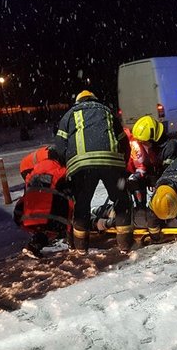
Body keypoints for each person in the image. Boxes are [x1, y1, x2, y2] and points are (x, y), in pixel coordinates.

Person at [55, 90, 132, 253]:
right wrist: (122, 166)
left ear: (78, 102)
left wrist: (67, 167)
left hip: (81, 166)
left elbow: (60, 147)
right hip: (111, 161)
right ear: (94, 100)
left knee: (81, 206)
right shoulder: (107, 112)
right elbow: (123, 141)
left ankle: (81, 249)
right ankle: (125, 245)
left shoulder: (69, 115)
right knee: (121, 202)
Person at [129, 115, 177, 239]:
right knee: (137, 182)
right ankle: (140, 211)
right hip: (162, 184)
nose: (142, 144)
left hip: (173, 190)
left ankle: (156, 234)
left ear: (153, 138)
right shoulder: (156, 148)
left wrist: (153, 179)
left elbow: (169, 176)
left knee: (154, 211)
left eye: (144, 141)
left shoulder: (171, 148)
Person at [13, 146, 72, 257]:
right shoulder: (62, 172)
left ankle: (36, 240)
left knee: (45, 222)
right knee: (53, 224)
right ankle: (35, 244)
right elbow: (70, 200)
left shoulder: (32, 176)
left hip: (26, 218)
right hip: (48, 218)